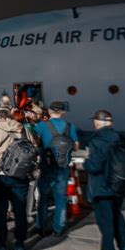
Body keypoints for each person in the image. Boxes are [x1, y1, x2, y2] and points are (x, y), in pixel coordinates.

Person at [84, 110, 125, 250]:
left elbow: (94, 166)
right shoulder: (119, 138)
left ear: (97, 122)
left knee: (105, 221)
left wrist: (86, 162)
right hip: (119, 184)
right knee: (116, 214)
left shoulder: (97, 140)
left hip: (102, 187)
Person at [0, 108, 37, 250]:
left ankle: (1, 245)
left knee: (0, 213)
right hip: (20, 176)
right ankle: (20, 244)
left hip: (0, 176)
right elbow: (33, 148)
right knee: (20, 211)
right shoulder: (22, 129)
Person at [34, 101, 79, 237]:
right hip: (63, 168)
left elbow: (34, 143)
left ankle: (41, 226)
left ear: (49, 111)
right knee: (61, 198)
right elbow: (76, 146)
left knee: (43, 199)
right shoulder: (70, 126)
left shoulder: (41, 125)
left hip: (46, 167)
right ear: (63, 112)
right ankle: (58, 228)